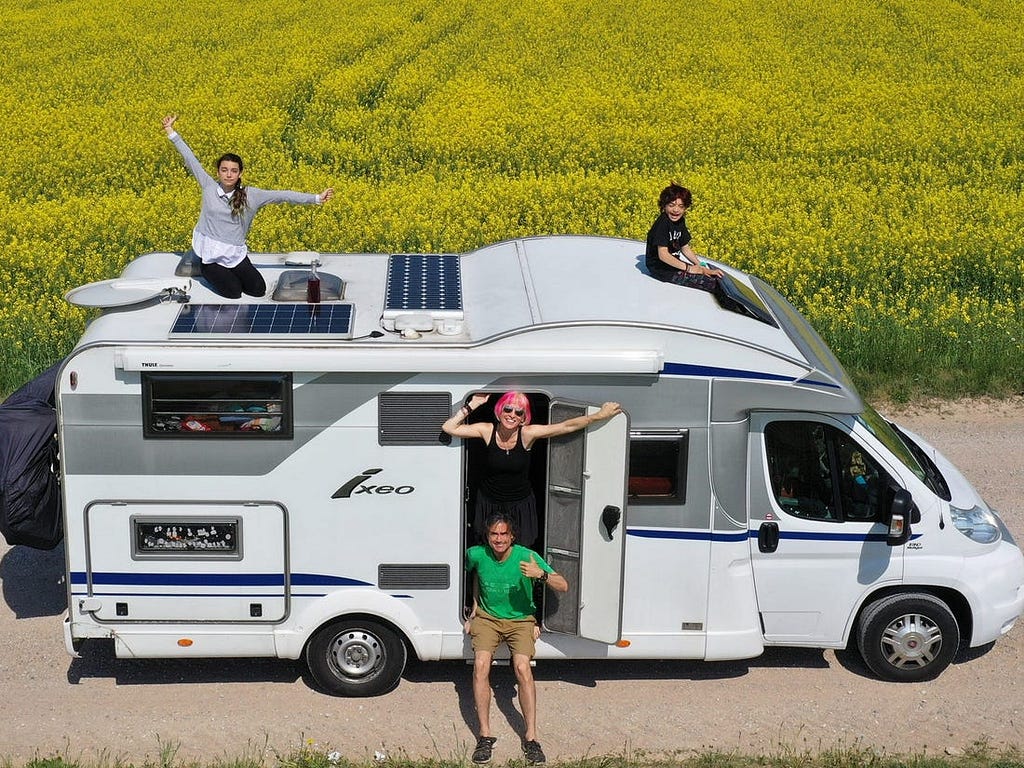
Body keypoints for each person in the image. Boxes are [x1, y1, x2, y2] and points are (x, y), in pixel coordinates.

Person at [161, 115, 334, 299]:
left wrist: (316, 198)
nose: (228, 174)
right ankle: (206, 269)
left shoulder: (251, 195)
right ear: (218, 171)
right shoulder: (208, 186)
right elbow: (190, 159)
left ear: (240, 173)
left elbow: (282, 195)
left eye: (233, 171)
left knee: (257, 290)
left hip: (234, 253)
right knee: (234, 292)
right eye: (224, 170)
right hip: (210, 254)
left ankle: (228, 272)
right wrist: (171, 131)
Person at [442, 392, 622, 547]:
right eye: (507, 409)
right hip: (489, 502)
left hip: (520, 504)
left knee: (521, 550)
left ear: (523, 418)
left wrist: (599, 416)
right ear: (499, 411)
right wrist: (473, 404)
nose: (512, 414)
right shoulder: (487, 430)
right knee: (486, 550)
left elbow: (566, 426)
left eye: (518, 412)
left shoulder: (528, 434)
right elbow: (449, 428)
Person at [463, 513, 569, 764]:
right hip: (488, 619)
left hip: (521, 620)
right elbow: (472, 574)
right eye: (493, 534)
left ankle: (531, 738)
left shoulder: (526, 556)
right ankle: (485, 736)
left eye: (503, 534)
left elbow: (563, 585)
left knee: (522, 668)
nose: (498, 539)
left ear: (512, 536)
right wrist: (475, 605)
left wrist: (540, 574)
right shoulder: (476, 554)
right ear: (487, 537)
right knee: (480, 666)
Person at [645, 183, 724, 291]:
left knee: (713, 276)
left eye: (681, 206)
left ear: (685, 208)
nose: (676, 210)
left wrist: (700, 265)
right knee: (713, 285)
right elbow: (663, 255)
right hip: (660, 269)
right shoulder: (663, 223)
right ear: (664, 206)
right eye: (671, 205)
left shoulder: (680, 221)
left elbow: (685, 248)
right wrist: (690, 269)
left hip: (672, 264)